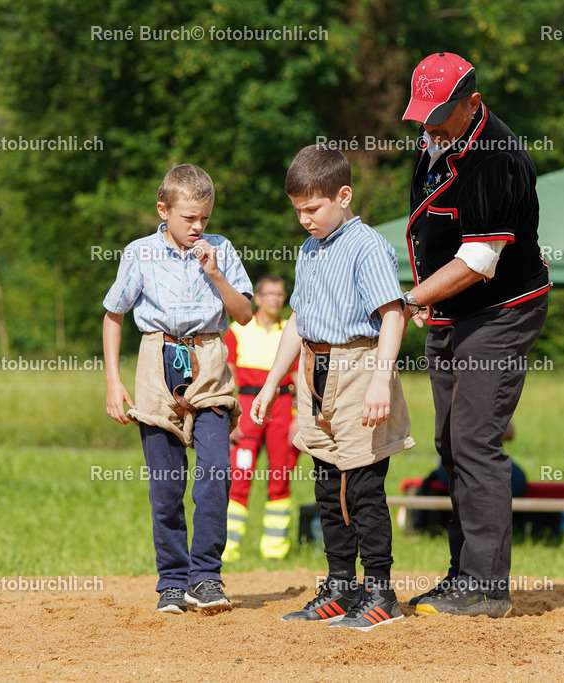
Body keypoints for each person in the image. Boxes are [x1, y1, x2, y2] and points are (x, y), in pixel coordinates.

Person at [400, 52, 550, 618]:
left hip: (499, 309)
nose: (429, 127)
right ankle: (462, 574)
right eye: (423, 116)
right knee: (447, 441)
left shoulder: (498, 158)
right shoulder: (437, 140)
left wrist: (411, 297)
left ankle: (487, 588)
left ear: (475, 103)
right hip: (450, 310)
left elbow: (479, 260)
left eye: (440, 115)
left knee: (474, 441)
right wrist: (426, 299)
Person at [251, 144, 414, 631]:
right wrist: (269, 385)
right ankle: (340, 586)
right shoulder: (309, 249)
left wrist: (381, 380)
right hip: (313, 371)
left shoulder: (367, 247)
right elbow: (298, 319)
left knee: (362, 487)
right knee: (327, 486)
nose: (304, 218)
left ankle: (380, 592)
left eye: (313, 208)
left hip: (361, 368)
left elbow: (392, 314)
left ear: (343, 196)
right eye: (297, 209)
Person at [102, 163, 253, 614]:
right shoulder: (139, 253)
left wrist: (216, 274)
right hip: (156, 360)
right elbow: (114, 314)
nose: (198, 226)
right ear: (163, 210)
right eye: (189, 218)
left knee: (215, 474)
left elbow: (244, 315)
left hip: (209, 360)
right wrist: (114, 380)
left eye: (204, 217)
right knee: (166, 486)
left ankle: (205, 577)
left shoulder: (221, 250)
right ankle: (171, 580)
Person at [223, 274, 300, 562]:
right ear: (257, 297)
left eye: (280, 295)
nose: (275, 300)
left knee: (280, 477)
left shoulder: (291, 332)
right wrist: (228, 418)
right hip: (246, 407)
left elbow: (298, 375)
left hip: (282, 407)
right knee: (239, 476)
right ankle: (228, 549)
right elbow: (227, 377)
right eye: (269, 294)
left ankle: (275, 551)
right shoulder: (237, 331)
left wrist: (299, 415)